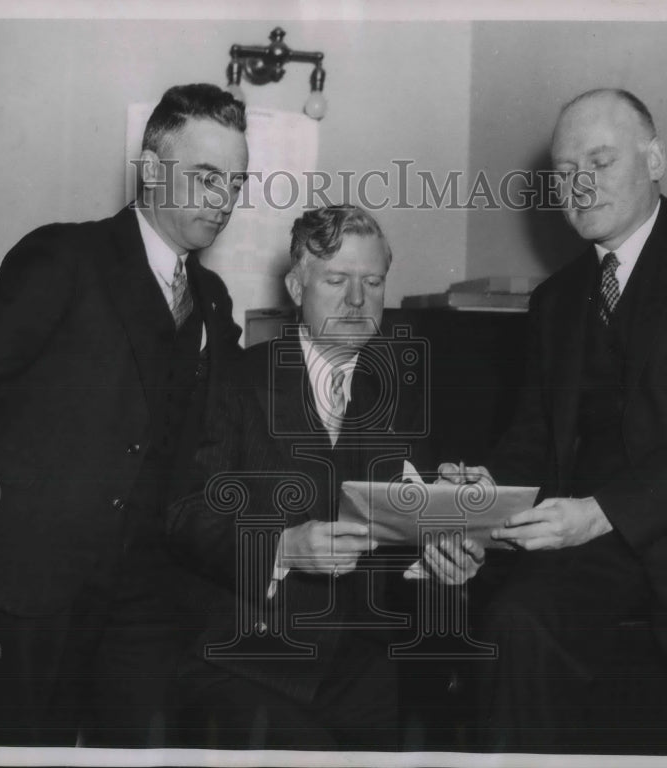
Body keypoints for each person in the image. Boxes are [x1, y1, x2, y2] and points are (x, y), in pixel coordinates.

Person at [443, 88, 667, 754]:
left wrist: (601, 510)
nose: (579, 183)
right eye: (565, 171)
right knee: (520, 619)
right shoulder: (556, 300)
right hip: (600, 548)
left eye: (599, 161)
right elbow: (534, 441)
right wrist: (478, 500)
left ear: (653, 159)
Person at [0, 83, 249, 746]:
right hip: (22, 594)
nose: (224, 199)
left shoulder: (211, 299)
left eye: (236, 182)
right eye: (207, 176)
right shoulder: (64, 257)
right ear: (151, 168)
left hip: (142, 602)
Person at [166, 204, 483, 750]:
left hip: (360, 658)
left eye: (373, 281)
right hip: (246, 654)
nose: (357, 300)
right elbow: (184, 516)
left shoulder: (399, 398)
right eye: (337, 280)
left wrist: (446, 548)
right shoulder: (234, 380)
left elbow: (403, 532)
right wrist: (283, 547)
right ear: (296, 285)